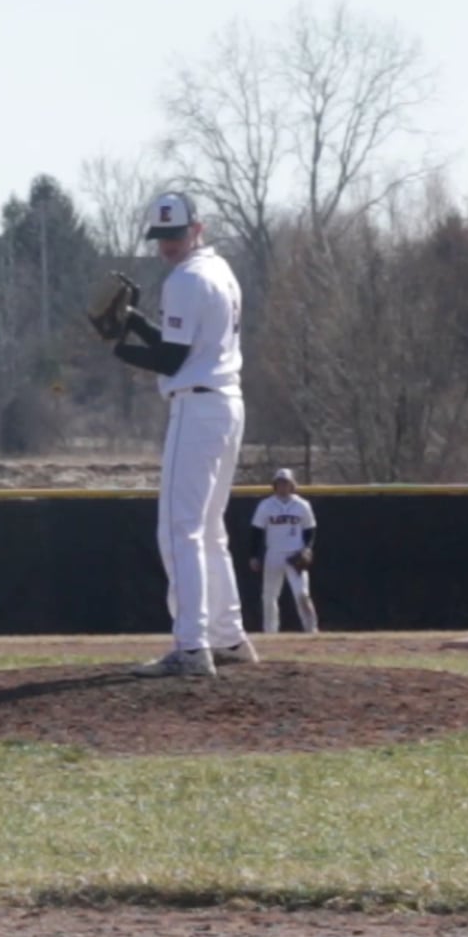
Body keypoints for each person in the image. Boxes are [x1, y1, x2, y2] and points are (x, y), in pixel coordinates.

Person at [109, 191, 258, 678]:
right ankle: (228, 636)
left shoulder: (185, 279)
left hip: (197, 408)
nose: (168, 245)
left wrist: (120, 349)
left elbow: (172, 359)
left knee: (179, 529)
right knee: (210, 530)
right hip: (226, 402)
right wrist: (135, 324)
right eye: (161, 237)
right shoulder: (220, 271)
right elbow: (183, 344)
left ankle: (192, 646)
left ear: (198, 228)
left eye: (175, 234)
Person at [249, 468, 319, 634]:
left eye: (286, 483)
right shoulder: (266, 505)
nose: (283, 486)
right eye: (279, 483)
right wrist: (253, 555)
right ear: (274, 485)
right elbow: (256, 532)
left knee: (302, 594)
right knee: (269, 596)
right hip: (273, 554)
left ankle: (311, 630)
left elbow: (310, 530)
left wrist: (307, 548)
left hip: (295, 554)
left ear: (292, 485)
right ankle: (270, 632)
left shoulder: (302, 505)